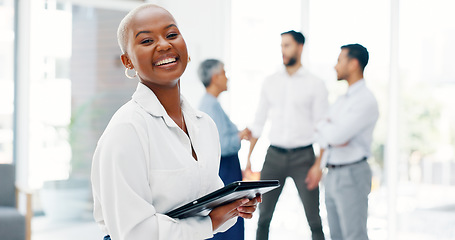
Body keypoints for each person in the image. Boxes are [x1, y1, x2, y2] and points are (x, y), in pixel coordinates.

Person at [90, 4, 261, 240]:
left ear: (186, 49)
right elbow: (134, 233)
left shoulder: (205, 126)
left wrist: (234, 207)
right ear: (127, 61)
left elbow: (210, 211)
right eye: (147, 41)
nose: (164, 44)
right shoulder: (126, 130)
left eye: (172, 35)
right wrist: (210, 223)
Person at [244, 30, 327, 240]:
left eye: (287, 45)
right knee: (263, 218)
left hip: (304, 158)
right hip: (274, 157)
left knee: (314, 220)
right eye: (281, 46)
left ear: (300, 47)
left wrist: (319, 164)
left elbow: (323, 128)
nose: (283, 50)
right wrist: (248, 160)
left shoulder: (315, 84)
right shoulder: (270, 82)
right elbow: (259, 121)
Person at [314, 44, 379, 240]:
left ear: (353, 64)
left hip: (352, 173)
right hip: (332, 173)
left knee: (354, 236)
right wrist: (331, 130)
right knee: (336, 236)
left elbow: (334, 136)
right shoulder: (343, 100)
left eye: (339, 60)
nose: (335, 66)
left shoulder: (365, 100)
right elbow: (322, 133)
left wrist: (330, 130)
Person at [198, 59, 250, 240]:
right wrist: (240, 136)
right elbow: (221, 144)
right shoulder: (209, 106)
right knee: (228, 225)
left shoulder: (212, 104)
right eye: (224, 73)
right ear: (215, 77)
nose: (227, 77)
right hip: (224, 171)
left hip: (228, 170)